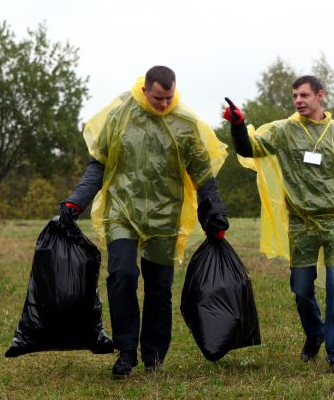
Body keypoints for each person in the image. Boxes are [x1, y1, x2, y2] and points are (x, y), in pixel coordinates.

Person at [60, 65, 229, 377]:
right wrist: (76, 202)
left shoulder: (184, 123)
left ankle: (153, 356)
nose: (164, 104)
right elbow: (98, 164)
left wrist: (214, 210)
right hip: (122, 210)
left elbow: (202, 175)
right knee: (121, 274)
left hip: (165, 215)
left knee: (159, 288)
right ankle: (125, 351)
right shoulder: (121, 115)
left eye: (169, 97)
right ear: (145, 90)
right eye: (158, 98)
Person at [223, 76, 334, 375]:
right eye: (294, 96)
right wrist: (238, 126)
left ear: (320, 96)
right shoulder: (283, 131)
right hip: (301, 223)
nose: (298, 100)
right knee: (302, 290)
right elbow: (250, 149)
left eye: (304, 95)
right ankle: (314, 331)